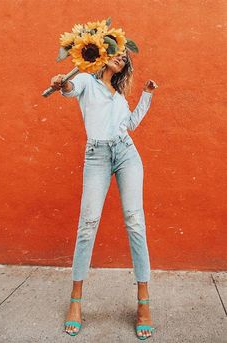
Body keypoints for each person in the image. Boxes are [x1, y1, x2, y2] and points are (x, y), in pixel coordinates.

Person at [50, 49, 158, 340]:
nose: (121, 58)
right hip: (97, 155)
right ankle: (75, 301)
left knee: (135, 222)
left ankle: (144, 302)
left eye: (125, 58)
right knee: (87, 225)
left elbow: (130, 125)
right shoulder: (86, 81)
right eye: (117, 54)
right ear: (105, 57)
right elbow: (71, 90)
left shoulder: (119, 96)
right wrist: (63, 83)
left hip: (126, 153)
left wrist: (146, 95)